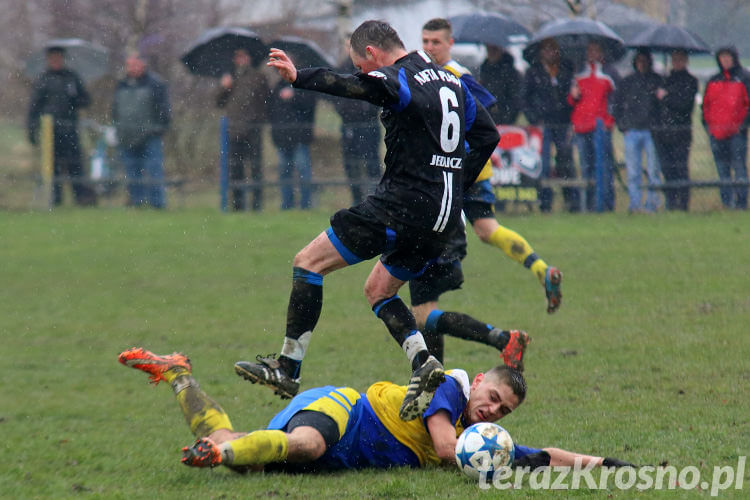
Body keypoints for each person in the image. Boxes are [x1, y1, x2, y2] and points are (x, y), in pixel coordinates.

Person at [234, 20, 500, 422]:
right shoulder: (452, 81)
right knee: (379, 290)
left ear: (373, 54)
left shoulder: (396, 78)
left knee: (308, 262)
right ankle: (423, 362)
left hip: (401, 206)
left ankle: (286, 368)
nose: (362, 73)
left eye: (362, 65)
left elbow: (350, 86)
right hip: (442, 218)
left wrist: (299, 76)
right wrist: (455, 176)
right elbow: (488, 133)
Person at [119, 347, 635, 471]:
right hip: (344, 410)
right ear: (479, 382)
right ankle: (220, 457)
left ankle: (178, 373)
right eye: (493, 398)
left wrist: (607, 466)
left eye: (502, 414)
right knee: (307, 442)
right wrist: (486, 460)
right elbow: (443, 444)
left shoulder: (479, 440)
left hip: (342, 456)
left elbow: (542, 454)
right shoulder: (449, 388)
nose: (492, 412)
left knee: (238, 441)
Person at [419, 19, 563, 355]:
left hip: (463, 167)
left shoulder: (457, 74)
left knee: (438, 234)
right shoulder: (430, 73)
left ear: (450, 43)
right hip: (465, 167)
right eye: (425, 41)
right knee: (487, 228)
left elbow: (488, 106)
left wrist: (462, 140)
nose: (429, 48)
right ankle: (542, 269)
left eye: (436, 42)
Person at [27, 45, 96, 206]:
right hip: (50, 131)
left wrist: (75, 99)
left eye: (58, 58)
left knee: (75, 164)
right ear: (48, 60)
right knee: (53, 166)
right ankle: (55, 198)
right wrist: (32, 129)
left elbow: (85, 100)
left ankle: (82, 198)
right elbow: (34, 107)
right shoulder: (43, 79)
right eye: (53, 58)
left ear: (63, 59)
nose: (56, 61)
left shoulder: (72, 77)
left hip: (70, 128)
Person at [523, 38, 578, 213]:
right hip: (543, 124)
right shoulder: (533, 73)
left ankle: (571, 201)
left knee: (565, 163)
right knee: (543, 165)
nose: (549, 53)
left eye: (552, 49)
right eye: (545, 49)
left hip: (562, 123)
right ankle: (545, 203)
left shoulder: (565, 70)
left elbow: (571, 97)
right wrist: (534, 119)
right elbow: (524, 99)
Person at [112, 51, 171, 209]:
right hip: (127, 135)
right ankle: (136, 202)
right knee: (132, 171)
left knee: (153, 170)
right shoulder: (122, 84)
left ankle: (157, 203)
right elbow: (115, 111)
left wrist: (157, 128)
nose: (132, 68)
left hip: (150, 135)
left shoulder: (156, 84)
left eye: (135, 64)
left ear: (143, 64)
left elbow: (164, 111)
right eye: (129, 65)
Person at [216, 48, 270, 212]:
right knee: (235, 169)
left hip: (253, 128)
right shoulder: (229, 78)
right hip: (233, 129)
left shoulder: (258, 77)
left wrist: (257, 119)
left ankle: (256, 205)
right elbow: (218, 103)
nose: (241, 59)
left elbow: (265, 101)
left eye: (243, 56)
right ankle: (238, 205)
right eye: (237, 56)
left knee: (255, 167)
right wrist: (224, 87)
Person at [568, 41, 619, 212]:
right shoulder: (579, 73)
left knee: (603, 167)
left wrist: (608, 121)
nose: (592, 53)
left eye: (596, 50)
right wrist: (573, 96)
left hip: (600, 128)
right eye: (589, 50)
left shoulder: (609, 73)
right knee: (585, 167)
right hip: (582, 127)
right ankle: (588, 205)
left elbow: (616, 100)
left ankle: (604, 204)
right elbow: (572, 101)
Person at [614, 49, 664, 214]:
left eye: (645, 61)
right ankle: (635, 204)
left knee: (653, 169)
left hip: (651, 132)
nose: (641, 64)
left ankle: (652, 204)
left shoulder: (657, 81)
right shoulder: (627, 82)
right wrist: (623, 126)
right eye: (639, 61)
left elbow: (662, 108)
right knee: (633, 171)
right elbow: (617, 106)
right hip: (632, 131)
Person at [702, 46, 750, 210]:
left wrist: (742, 126)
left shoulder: (744, 78)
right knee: (722, 170)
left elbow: (747, 105)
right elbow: (706, 106)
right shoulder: (714, 80)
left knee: (739, 168)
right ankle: (726, 203)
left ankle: (741, 203)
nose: (725, 60)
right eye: (722, 57)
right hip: (716, 133)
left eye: (728, 57)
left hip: (737, 134)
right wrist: (708, 126)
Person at [331, 58, 382, 205]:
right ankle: (357, 201)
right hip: (349, 126)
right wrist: (345, 111)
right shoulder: (341, 70)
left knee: (372, 163)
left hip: (368, 126)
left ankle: (374, 201)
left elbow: (377, 97)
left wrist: (365, 110)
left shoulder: (371, 69)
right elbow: (335, 96)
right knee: (351, 164)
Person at [652, 50, 698, 211]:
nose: (677, 62)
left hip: (681, 133)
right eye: (675, 59)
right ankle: (671, 203)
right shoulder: (665, 80)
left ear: (685, 61)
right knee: (667, 170)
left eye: (680, 59)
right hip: (663, 134)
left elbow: (684, 105)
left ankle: (683, 204)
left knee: (680, 168)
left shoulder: (691, 81)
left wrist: (666, 97)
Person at [269, 77, 317, 210]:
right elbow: (272, 112)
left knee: (303, 170)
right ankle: (287, 204)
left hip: (300, 137)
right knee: (284, 172)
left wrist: (294, 96)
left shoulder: (304, 84)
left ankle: (305, 204)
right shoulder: (277, 86)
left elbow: (310, 105)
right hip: (282, 138)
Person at [479, 44, 522, 126]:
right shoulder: (484, 71)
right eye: (489, 49)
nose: (491, 53)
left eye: (494, 50)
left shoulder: (511, 73)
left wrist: (506, 115)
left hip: (505, 121)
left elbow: (515, 99)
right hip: (487, 121)